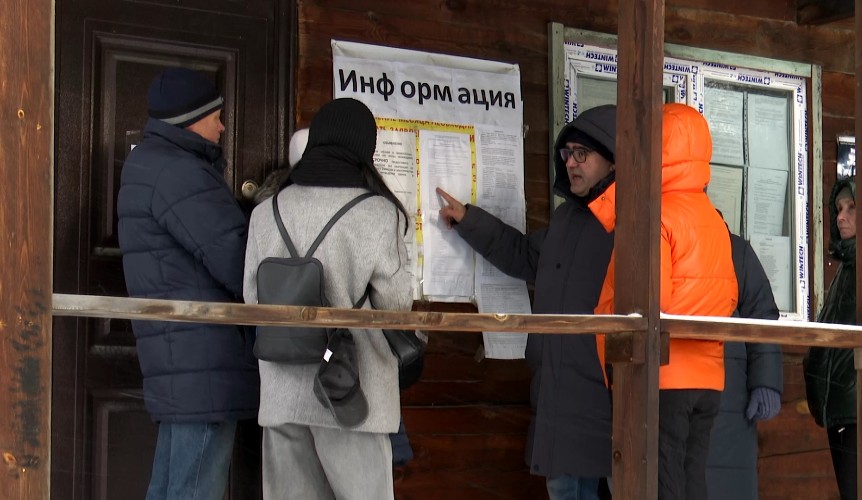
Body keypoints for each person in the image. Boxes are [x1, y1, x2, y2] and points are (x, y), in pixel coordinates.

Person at [438, 105, 618, 499]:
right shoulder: (568, 219)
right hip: (559, 396)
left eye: (582, 154)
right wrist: (468, 220)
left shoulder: (629, 225)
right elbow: (525, 255)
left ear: (611, 159)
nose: (571, 162)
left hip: (603, 403)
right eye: (567, 153)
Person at [243, 97, 412, 499]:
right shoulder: (377, 212)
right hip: (352, 392)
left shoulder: (266, 211)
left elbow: (252, 298)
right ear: (363, 149)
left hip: (282, 389)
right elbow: (395, 305)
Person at [117, 67, 259, 500]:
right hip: (204, 354)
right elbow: (238, 263)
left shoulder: (148, 163)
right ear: (191, 118)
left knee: (170, 484)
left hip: (179, 353)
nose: (221, 126)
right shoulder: (182, 173)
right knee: (194, 486)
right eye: (215, 116)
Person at [588, 102, 738, 500]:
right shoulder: (713, 220)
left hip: (660, 374)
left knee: (658, 483)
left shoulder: (653, 215)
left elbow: (648, 302)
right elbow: (729, 295)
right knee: (691, 482)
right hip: (708, 377)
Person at [706, 231, 783, 500]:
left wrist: (766, 382)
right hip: (676, 394)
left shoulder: (734, 250)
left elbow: (761, 315)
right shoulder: (655, 246)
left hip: (731, 404)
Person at [803, 176, 857, 500]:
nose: (841, 216)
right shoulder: (847, 266)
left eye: (852, 208)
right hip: (840, 408)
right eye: (838, 208)